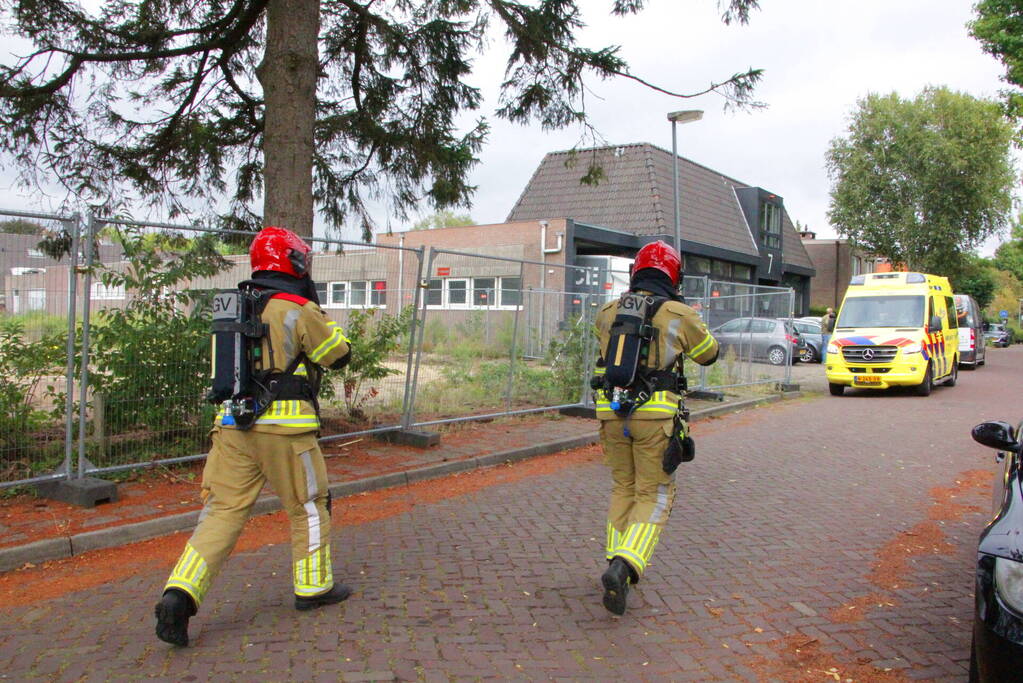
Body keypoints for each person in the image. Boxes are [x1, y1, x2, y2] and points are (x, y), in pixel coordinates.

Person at [155, 226, 353, 647]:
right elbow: (337, 355)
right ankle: (314, 588)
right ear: (294, 262)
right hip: (286, 433)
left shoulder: (231, 306)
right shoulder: (296, 307)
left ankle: (179, 594)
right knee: (309, 507)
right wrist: (318, 310)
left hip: (231, 427)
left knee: (222, 512)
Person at [592, 240, 719, 615]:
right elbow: (709, 354)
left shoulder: (608, 311)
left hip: (610, 413)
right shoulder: (679, 313)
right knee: (655, 493)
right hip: (654, 417)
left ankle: (615, 558)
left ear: (637, 273)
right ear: (673, 275)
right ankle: (627, 564)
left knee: (624, 487)